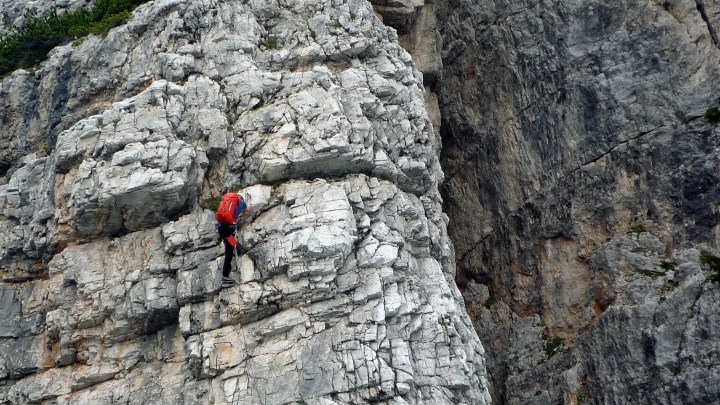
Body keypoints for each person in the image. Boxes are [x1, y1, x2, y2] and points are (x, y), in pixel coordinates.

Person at [216, 190, 251, 285]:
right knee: (229, 252)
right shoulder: (241, 203)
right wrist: (248, 199)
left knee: (230, 244)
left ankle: (239, 249)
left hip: (221, 228)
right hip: (228, 229)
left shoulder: (227, 203)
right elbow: (248, 209)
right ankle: (225, 276)